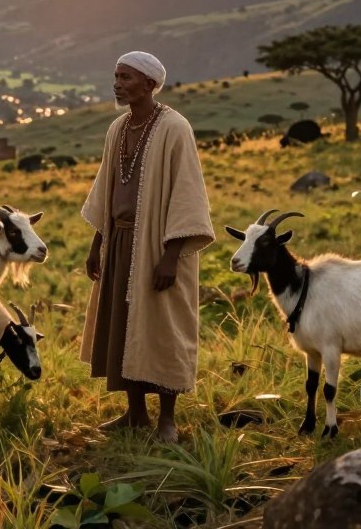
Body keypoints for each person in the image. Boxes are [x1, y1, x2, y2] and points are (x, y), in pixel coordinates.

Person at [80, 51, 214, 443]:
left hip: (159, 244)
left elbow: (188, 194)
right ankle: (135, 414)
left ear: (150, 84)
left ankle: (167, 420)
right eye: (116, 76)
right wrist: (97, 244)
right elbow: (106, 190)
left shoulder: (175, 128)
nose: (117, 84)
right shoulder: (117, 129)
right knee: (124, 326)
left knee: (163, 327)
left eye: (126, 77)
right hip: (119, 241)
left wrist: (170, 257)